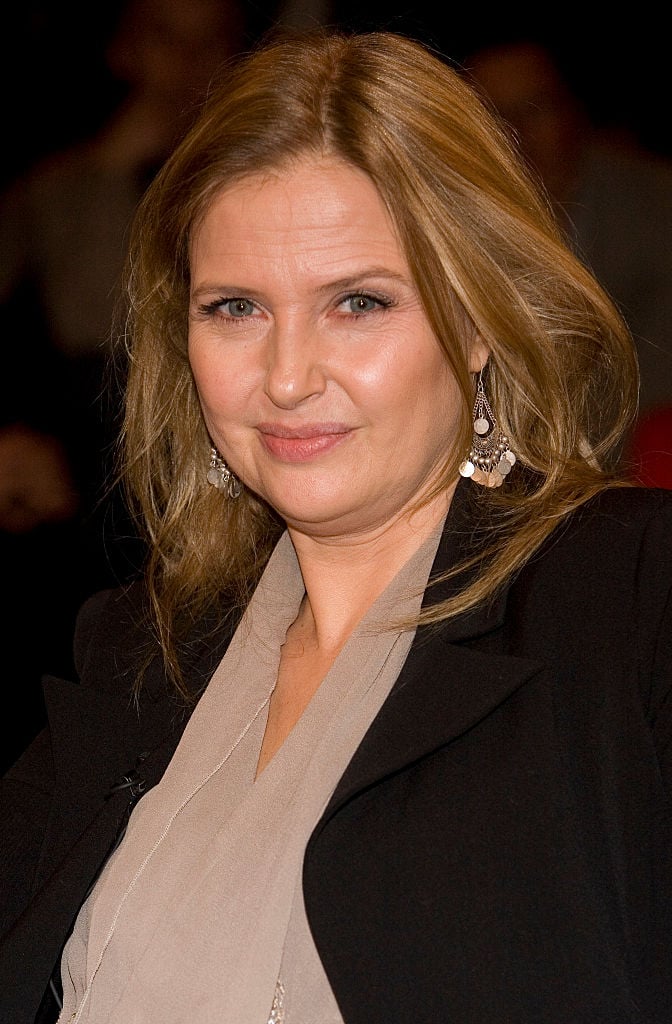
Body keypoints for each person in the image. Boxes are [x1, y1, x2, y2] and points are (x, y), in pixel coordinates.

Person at [1, 27, 671, 1024]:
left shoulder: (629, 600)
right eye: (236, 308)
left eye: (357, 302)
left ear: (476, 318)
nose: (285, 377)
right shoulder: (136, 652)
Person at [462, 38, 672, 424]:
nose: (517, 132)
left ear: (574, 109)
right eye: (495, 115)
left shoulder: (654, 209)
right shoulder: (456, 221)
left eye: (536, 108)